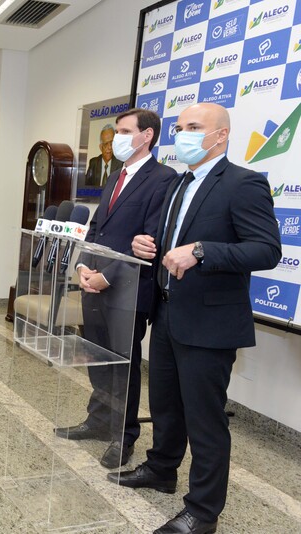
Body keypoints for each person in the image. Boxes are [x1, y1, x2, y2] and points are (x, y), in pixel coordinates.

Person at [119, 103, 281, 534]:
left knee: (204, 420)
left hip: (210, 324)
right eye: (179, 128)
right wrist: (145, 244)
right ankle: (161, 469)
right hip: (168, 313)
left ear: (221, 135)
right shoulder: (179, 183)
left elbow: (267, 250)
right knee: (165, 404)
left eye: (194, 127)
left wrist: (202, 251)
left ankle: (203, 512)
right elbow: (169, 240)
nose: (183, 135)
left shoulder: (244, 183)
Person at [54, 108, 175, 469]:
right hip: (93, 286)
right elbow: (95, 230)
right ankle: (98, 420)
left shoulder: (162, 179)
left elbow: (149, 242)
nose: (117, 139)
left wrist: (106, 277)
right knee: (97, 357)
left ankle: (124, 435)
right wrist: (81, 267)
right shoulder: (115, 176)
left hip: (128, 290)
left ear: (146, 136)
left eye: (123, 131)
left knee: (124, 365)